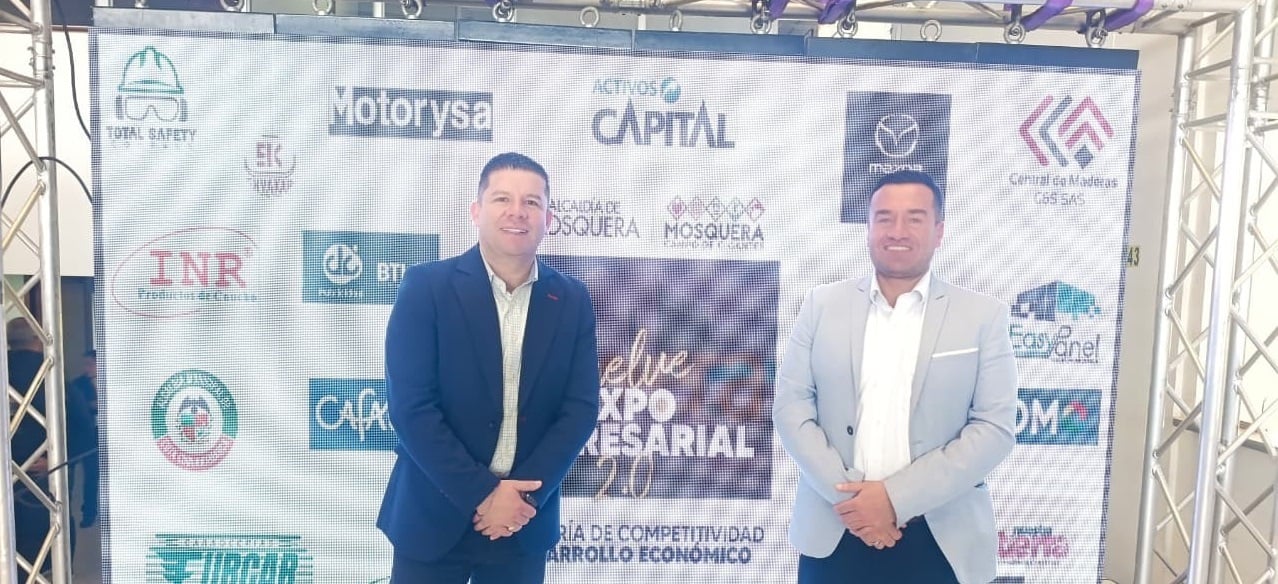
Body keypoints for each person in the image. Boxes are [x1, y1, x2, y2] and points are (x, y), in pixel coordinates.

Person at [772, 170, 1018, 584]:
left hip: (942, 540)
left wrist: (893, 501)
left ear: (939, 231)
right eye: (884, 218)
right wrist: (857, 505)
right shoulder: (821, 305)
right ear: (868, 228)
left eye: (914, 218)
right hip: (836, 529)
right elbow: (791, 408)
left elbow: (994, 429)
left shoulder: (983, 317)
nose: (897, 231)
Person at [377, 152, 600, 584]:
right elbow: (412, 408)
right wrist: (483, 495)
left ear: (548, 218)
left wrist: (519, 502)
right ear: (476, 211)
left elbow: (580, 409)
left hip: (521, 523)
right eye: (502, 199)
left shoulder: (572, 300)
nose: (517, 212)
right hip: (433, 517)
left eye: (532, 202)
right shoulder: (427, 288)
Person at [68, 349, 99, 528]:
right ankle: (89, 513)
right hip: (87, 436)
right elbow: (74, 410)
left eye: (90, 364)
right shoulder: (77, 385)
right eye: (85, 364)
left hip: (110, 435)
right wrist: (91, 406)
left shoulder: (116, 382)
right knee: (91, 475)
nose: (87, 368)